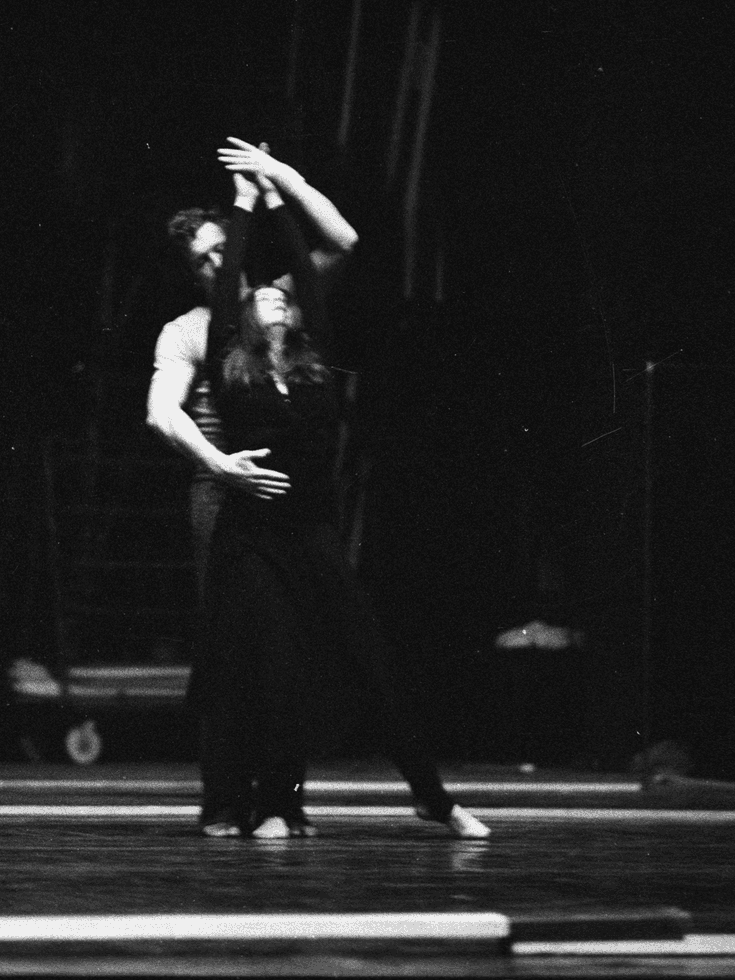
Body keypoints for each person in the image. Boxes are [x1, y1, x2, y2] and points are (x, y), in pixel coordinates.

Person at [195, 143, 489, 840]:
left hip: (311, 528)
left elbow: (303, 268)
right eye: (257, 294)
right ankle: (274, 803)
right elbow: (234, 274)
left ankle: (432, 796)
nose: (270, 293)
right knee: (275, 670)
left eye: (281, 295)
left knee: (373, 659)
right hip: (252, 535)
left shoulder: (314, 361)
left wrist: (276, 192)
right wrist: (241, 204)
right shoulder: (228, 365)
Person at [147, 140, 360, 604]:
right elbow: (161, 413)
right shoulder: (186, 330)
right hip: (223, 483)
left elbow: (342, 241)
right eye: (202, 260)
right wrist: (218, 463)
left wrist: (280, 175)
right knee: (233, 629)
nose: (217, 264)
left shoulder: (277, 300)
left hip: (292, 488)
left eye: (221, 249)